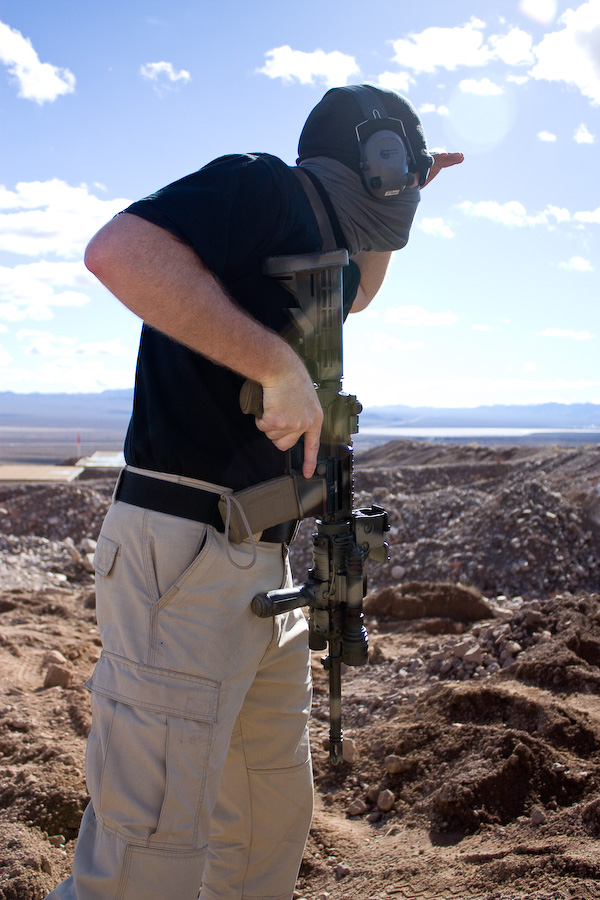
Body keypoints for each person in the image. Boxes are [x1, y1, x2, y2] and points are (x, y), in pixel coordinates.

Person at [45, 85, 463, 900]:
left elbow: (362, 293)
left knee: (261, 827)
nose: (407, 184)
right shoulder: (261, 182)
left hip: (264, 566)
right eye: (400, 166)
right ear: (373, 157)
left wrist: (404, 203)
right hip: (186, 550)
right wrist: (276, 366)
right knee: (146, 852)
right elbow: (119, 251)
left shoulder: (323, 245)